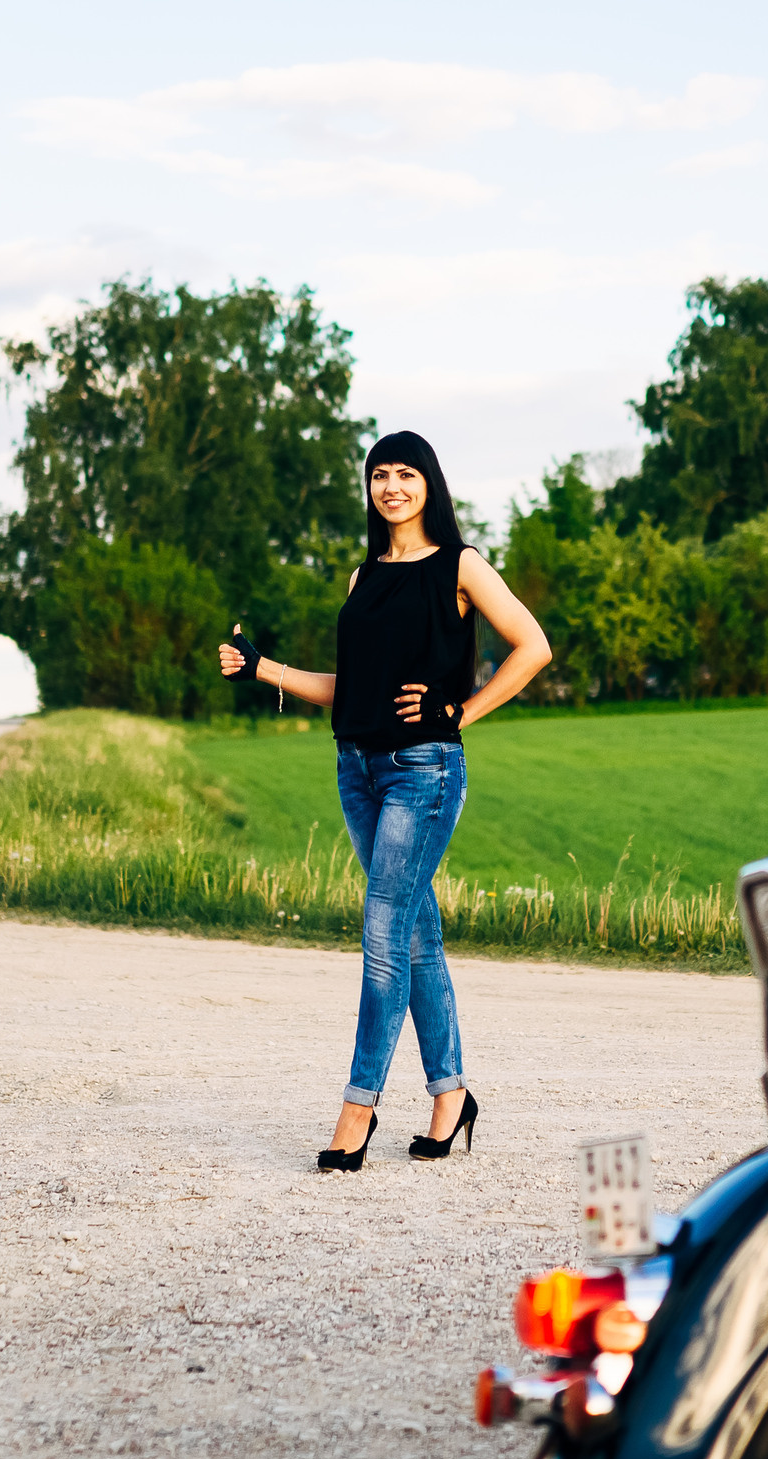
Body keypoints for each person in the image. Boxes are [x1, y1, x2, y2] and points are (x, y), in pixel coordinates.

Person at [219, 430, 552, 1172]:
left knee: (382, 928)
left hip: (423, 770)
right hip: (357, 769)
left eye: (406, 473)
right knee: (415, 936)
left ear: (429, 483)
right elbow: (350, 690)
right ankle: (451, 1098)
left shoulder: (460, 566)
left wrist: (459, 710)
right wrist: (260, 668)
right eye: (379, 475)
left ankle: (357, 1107)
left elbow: (533, 646)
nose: (392, 486)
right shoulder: (360, 577)